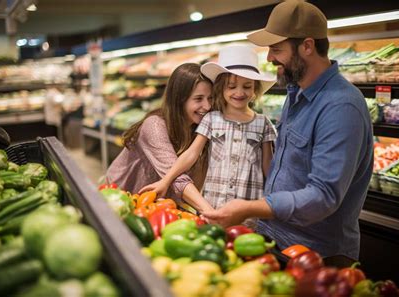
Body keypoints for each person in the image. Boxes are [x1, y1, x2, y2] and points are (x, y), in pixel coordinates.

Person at [203, 0, 374, 262]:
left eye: (276, 49)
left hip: (315, 255)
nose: (270, 58)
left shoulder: (341, 106)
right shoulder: (296, 94)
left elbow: (323, 196)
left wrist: (249, 207)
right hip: (276, 240)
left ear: (307, 46)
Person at [140, 45, 277, 227]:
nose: (239, 92)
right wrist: (166, 180)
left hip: (249, 207)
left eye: (247, 86)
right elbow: (191, 154)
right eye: (232, 86)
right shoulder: (212, 119)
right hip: (213, 204)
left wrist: (274, 200)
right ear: (221, 88)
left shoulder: (264, 123)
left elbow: (269, 166)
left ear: (255, 89)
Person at [106, 63, 214, 213]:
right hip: (121, 198)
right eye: (198, 99)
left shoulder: (198, 128)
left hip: (156, 202)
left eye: (211, 98)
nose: (207, 106)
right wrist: (209, 212)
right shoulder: (155, 126)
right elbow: (178, 178)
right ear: (180, 99)